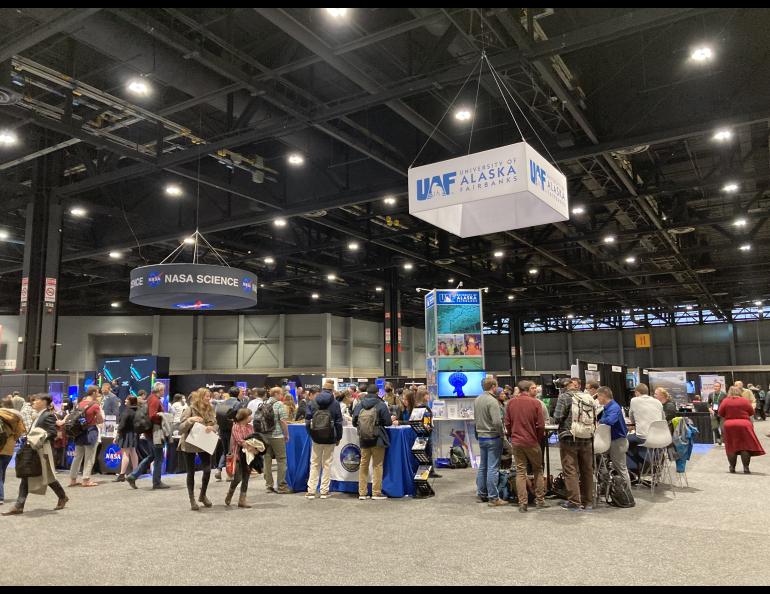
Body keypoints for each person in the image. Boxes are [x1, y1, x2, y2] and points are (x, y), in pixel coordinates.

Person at [2, 394, 68, 515]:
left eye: (37, 400)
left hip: (41, 450)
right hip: (33, 449)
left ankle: (62, 496)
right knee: (27, 475)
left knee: (47, 475)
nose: (33, 402)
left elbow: (53, 433)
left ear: (44, 402)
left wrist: (38, 437)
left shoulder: (48, 415)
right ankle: (19, 505)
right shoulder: (38, 415)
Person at [504, 380, 546, 512]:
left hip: (517, 442)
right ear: (528, 389)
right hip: (532, 441)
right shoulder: (536, 403)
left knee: (520, 472)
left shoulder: (510, 403)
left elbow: (507, 423)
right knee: (537, 470)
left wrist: (512, 435)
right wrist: (537, 438)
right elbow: (541, 425)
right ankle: (540, 500)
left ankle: (523, 503)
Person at [554, 377, 595, 510]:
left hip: (569, 437)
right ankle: (588, 501)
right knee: (587, 470)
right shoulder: (587, 397)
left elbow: (558, 417)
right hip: (587, 436)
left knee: (570, 469)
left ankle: (574, 502)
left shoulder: (564, 397)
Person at [177, 389, 218, 510]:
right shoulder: (190, 409)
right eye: (206, 396)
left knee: (207, 470)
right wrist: (190, 420)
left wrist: (213, 428)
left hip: (204, 442)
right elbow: (180, 428)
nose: (208, 398)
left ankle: (203, 495)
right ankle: (192, 500)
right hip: (189, 443)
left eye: (209, 396)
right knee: (191, 472)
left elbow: (216, 424)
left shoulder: (210, 409)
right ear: (200, 397)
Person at [352, 384, 393, 500]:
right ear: (377, 393)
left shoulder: (360, 405)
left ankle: (362, 493)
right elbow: (388, 422)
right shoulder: (381, 405)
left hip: (364, 439)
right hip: (378, 439)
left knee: (363, 465)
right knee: (377, 465)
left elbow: (354, 422)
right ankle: (376, 492)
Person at [126, 382, 169, 490]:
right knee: (158, 458)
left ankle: (133, 475)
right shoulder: (155, 400)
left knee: (152, 456)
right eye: (163, 390)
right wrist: (163, 417)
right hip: (155, 433)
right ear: (159, 390)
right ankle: (157, 482)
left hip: (150, 432)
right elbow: (152, 415)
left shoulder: (150, 398)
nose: (164, 391)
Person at [305, 380, 343, 499]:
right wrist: (338, 437)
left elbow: (307, 421)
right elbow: (338, 422)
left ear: (322, 389)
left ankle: (311, 490)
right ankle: (324, 491)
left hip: (316, 437)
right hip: (330, 436)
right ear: (332, 390)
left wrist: (311, 434)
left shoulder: (313, 402)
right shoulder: (335, 403)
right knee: (327, 463)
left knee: (314, 463)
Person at [473, 377, 506, 507]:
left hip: (481, 437)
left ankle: (481, 494)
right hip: (493, 437)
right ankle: (493, 497)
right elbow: (497, 422)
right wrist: (502, 435)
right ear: (493, 386)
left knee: (483, 466)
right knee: (493, 468)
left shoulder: (477, 399)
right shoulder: (492, 401)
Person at [719, 386, 765, 473]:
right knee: (745, 446)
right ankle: (746, 468)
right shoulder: (744, 400)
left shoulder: (726, 401)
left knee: (731, 446)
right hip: (744, 425)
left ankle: (732, 467)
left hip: (730, 425)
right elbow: (751, 412)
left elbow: (720, 413)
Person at [596, 386, 631, 489]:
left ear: (603, 396)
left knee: (621, 469)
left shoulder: (614, 407)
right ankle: (605, 486)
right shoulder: (607, 408)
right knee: (601, 462)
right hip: (611, 442)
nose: (597, 399)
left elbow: (611, 421)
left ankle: (627, 494)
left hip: (618, 442)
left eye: (598, 396)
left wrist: (600, 422)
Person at [69, 385, 103, 488]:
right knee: (89, 457)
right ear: (93, 393)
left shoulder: (80, 404)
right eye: (97, 392)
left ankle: (73, 479)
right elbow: (100, 420)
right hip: (91, 432)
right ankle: (86, 480)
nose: (98, 394)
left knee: (77, 457)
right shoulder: (95, 405)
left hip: (79, 432)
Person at [627, 383, 664, 476]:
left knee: (623, 442)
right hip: (660, 439)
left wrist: (635, 424)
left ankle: (634, 473)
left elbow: (631, 417)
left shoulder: (634, 400)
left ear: (636, 392)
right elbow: (663, 419)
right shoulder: (658, 402)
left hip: (643, 437)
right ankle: (649, 468)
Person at [259, 387, 291, 494]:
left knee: (267, 460)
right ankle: (281, 486)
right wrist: (286, 434)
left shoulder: (263, 403)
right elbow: (283, 421)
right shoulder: (279, 404)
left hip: (265, 436)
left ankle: (269, 485)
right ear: (276, 394)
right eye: (281, 394)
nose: (282, 396)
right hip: (277, 436)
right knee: (281, 460)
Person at [226, 408, 257, 508]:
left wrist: (254, 445)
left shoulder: (250, 427)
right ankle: (229, 494)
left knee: (246, 478)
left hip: (249, 456)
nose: (251, 417)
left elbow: (254, 438)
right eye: (249, 416)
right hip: (238, 455)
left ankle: (242, 500)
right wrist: (250, 445)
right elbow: (240, 441)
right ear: (244, 417)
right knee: (237, 478)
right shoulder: (236, 427)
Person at [0, 396, 26, 505]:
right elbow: (21, 432)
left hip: (0, 447)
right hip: (9, 448)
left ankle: (0, 496)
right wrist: (13, 438)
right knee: (2, 472)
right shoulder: (17, 416)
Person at [114, 395, 139, 483]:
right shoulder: (137, 410)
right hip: (134, 433)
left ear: (130, 401)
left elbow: (122, 425)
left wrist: (117, 434)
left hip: (126, 434)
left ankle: (122, 474)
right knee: (133, 452)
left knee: (125, 453)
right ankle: (136, 472)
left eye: (126, 399)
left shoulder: (127, 411)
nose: (125, 400)